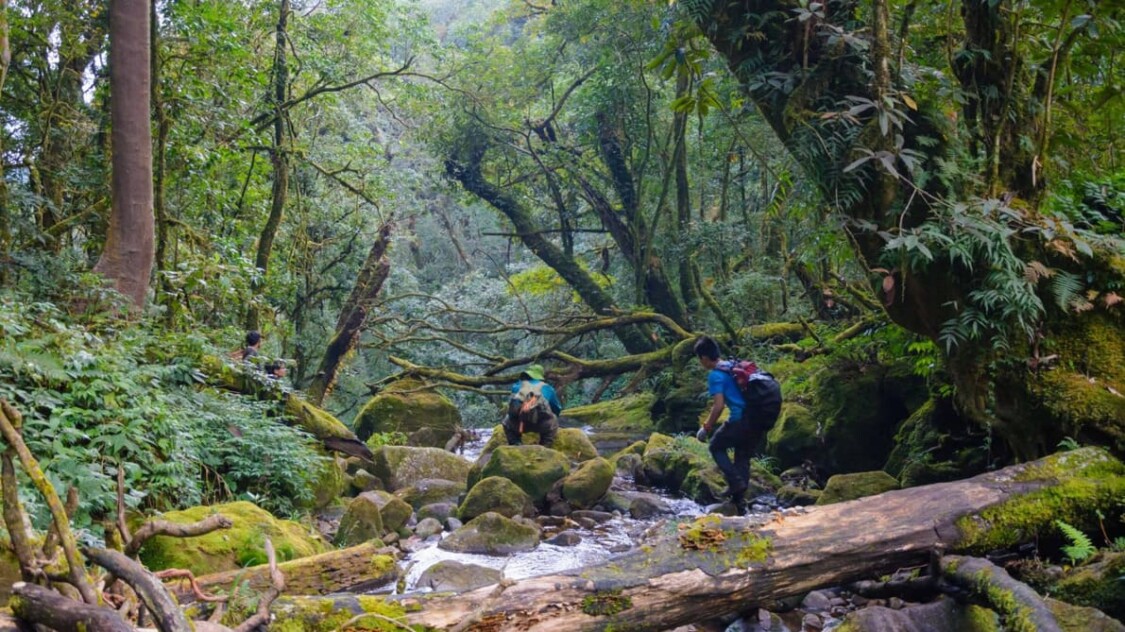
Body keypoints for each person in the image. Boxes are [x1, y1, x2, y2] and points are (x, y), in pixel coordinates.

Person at [694, 336, 779, 508]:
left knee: (715, 446)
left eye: (699, 359)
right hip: (756, 419)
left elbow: (718, 406)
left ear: (703, 357)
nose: (700, 362)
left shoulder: (716, 375)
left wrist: (706, 427)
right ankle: (739, 503)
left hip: (740, 420)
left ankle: (735, 482)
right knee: (742, 456)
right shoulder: (731, 366)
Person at [502, 364, 563, 448]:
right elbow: (557, 409)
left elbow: (511, 406)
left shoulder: (516, 386)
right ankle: (545, 446)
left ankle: (516, 444)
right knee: (554, 421)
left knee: (506, 422)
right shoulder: (547, 388)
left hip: (519, 424)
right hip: (541, 424)